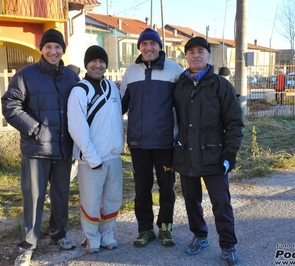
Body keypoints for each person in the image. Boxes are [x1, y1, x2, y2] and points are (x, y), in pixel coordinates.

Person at [1, 28, 80, 266]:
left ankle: (59, 234)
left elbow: (80, 106)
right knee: (33, 197)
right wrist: (34, 129)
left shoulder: (71, 77)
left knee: (61, 195)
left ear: (62, 50)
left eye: (58, 48)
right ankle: (28, 246)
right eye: (49, 47)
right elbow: (10, 104)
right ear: (41, 50)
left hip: (64, 149)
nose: (53, 51)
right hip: (36, 148)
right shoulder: (26, 75)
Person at [173, 36, 243, 266]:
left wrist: (230, 153)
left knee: (221, 203)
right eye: (191, 51)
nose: (196, 55)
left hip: (214, 155)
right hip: (186, 155)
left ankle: (228, 245)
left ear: (208, 56)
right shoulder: (179, 85)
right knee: (191, 201)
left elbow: (233, 122)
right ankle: (200, 236)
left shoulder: (221, 85)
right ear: (186, 56)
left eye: (201, 51)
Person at [120, 28, 183, 248]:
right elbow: (120, 105)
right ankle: (145, 229)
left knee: (167, 187)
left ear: (159, 46)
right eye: (144, 44)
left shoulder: (175, 70)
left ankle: (166, 228)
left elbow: (185, 106)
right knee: (141, 188)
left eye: (153, 44)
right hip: (138, 142)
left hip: (166, 141)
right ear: (139, 47)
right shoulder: (131, 71)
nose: (149, 48)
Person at [67, 45, 124, 254]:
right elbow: (76, 127)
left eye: (101, 62)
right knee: (90, 202)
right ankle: (92, 238)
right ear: (86, 64)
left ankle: (108, 234)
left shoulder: (112, 87)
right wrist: (92, 156)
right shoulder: (79, 90)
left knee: (113, 199)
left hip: (114, 156)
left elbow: (116, 118)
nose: (98, 65)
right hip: (91, 159)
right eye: (93, 61)